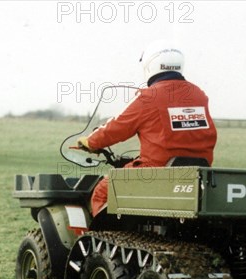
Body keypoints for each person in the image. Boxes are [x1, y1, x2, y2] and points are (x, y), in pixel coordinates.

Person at [77, 40, 217, 216]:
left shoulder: (149, 96)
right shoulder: (198, 94)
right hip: (198, 172)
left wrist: (90, 142)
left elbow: (117, 127)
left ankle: (105, 239)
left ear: (150, 65)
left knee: (102, 193)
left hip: (155, 170)